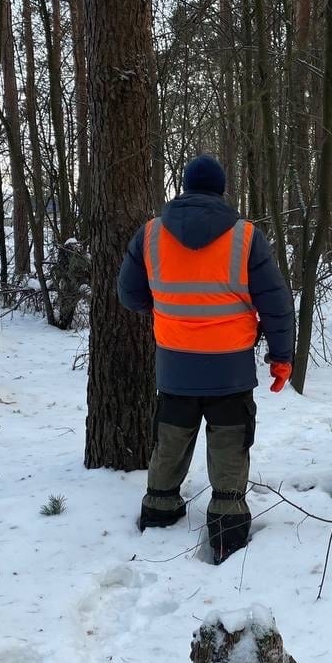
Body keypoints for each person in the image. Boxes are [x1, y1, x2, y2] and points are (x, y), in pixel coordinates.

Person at [118, 154, 293, 564]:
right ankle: (228, 528)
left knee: (172, 439)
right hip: (230, 370)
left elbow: (128, 294)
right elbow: (277, 304)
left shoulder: (150, 234)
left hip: (174, 368)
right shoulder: (246, 237)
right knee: (231, 443)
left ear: (184, 186)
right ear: (221, 189)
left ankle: (159, 511)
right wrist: (281, 357)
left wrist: (166, 308)